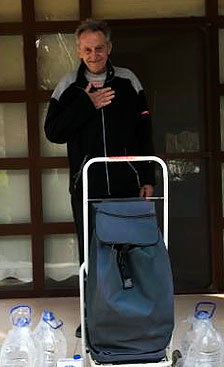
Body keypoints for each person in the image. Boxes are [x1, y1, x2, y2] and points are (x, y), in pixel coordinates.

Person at [44, 18, 156, 263]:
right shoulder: (69, 86)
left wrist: (148, 177)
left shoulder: (128, 81)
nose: (94, 55)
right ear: (78, 51)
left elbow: (144, 132)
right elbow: (53, 132)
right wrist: (86, 105)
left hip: (128, 185)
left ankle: (127, 290)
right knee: (92, 255)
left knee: (131, 253)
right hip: (87, 185)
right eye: (87, 49)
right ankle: (92, 290)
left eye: (99, 48)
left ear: (109, 48)